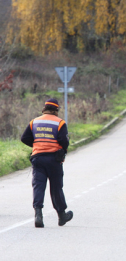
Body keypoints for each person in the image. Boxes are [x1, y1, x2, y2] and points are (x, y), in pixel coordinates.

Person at [21, 98, 73, 228]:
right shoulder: (60, 123)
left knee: (38, 186)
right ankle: (62, 216)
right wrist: (62, 151)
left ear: (44, 108)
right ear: (56, 110)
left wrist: (38, 145)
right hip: (54, 160)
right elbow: (64, 141)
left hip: (38, 158)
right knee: (56, 187)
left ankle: (38, 215)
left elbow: (24, 138)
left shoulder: (35, 121)